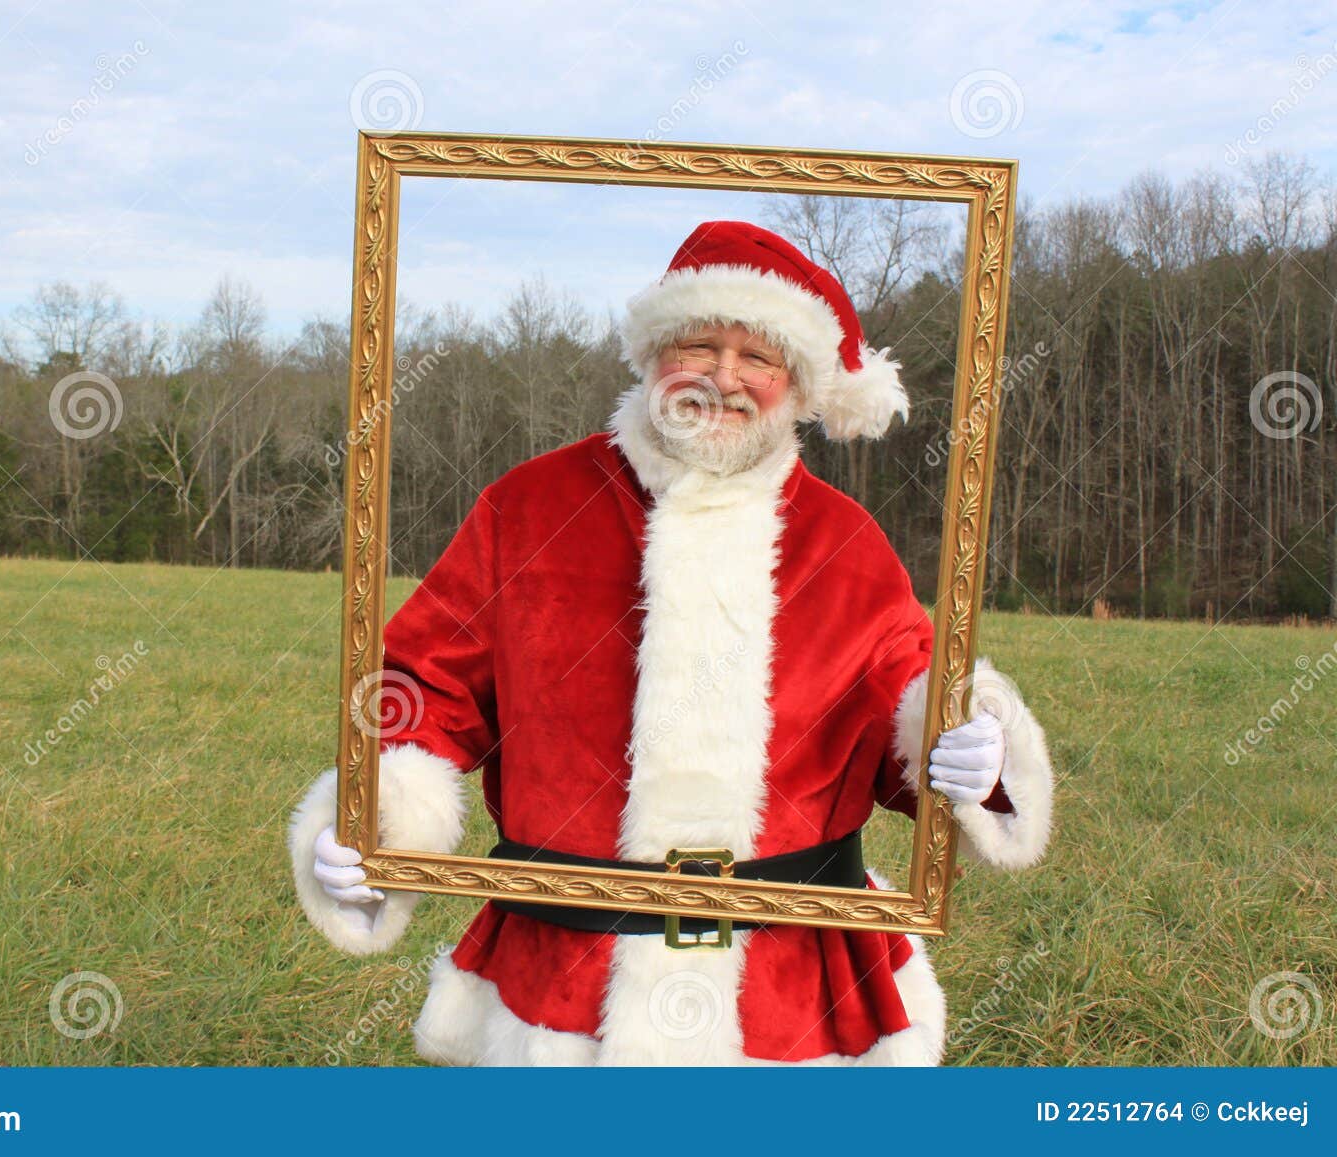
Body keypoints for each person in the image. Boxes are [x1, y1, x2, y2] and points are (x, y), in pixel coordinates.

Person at [288, 219, 1055, 1065]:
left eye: (757, 356)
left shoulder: (847, 543)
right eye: (698, 344)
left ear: (797, 384)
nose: (723, 376)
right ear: (654, 354)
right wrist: (374, 815)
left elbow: (907, 703)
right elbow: (425, 688)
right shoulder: (529, 508)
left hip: (791, 994)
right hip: (563, 984)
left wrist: (971, 744)